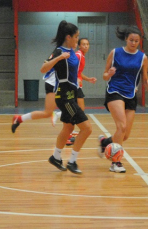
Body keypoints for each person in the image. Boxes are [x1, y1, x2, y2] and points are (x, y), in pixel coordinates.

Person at [98, 26, 148, 173]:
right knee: (121, 127)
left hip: (131, 95)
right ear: (126, 39)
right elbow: (104, 75)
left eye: (136, 41)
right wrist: (109, 74)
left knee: (125, 135)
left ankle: (105, 142)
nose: (133, 43)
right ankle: (116, 162)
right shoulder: (115, 53)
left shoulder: (143, 58)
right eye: (131, 40)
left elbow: (145, 80)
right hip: (114, 92)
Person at [42, 20, 92, 174]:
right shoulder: (59, 51)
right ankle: (72, 161)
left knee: (68, 127)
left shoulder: (72, 52)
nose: (78, 40)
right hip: (64, 95)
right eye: (76, 37)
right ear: (68, 37)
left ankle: (56, 157)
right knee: (87, 129)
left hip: (72, 93)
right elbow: (43, 68)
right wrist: (58, 58)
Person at [52, 38, 97, 144]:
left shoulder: (82, 56)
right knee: (79, 110)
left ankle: (68, 132)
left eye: (87, 44)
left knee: (77, 110)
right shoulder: (78, 55)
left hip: (76, 85)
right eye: (83, 44)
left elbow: (78, 72)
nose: (86, 46)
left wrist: (88, 79)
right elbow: (72, 70)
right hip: (73, 86)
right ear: (79, 46)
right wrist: (75, 79)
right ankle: (59, 115)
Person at [10, 68, 59, 134]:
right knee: (50, 112)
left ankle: (19, 119)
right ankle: (67, 134)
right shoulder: (60, 58)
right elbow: (44, 67)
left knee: (50, 113)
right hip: (55, 84)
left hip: (63, 83)